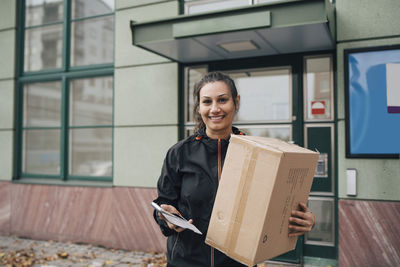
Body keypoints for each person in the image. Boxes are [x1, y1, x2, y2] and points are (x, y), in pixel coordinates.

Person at [152, 71, 316, 267]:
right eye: (207, 102)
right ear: (199, 107)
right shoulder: (179, 153)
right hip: (186, 262)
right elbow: (163, 203)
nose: (215, 109)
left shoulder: (260, 154)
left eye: (222, 100)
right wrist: (166, 218)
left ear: (236, 102)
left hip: (239, 262)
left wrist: (306, 219)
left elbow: (278, 203)